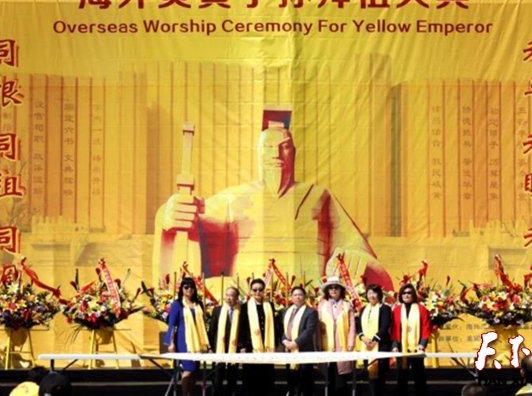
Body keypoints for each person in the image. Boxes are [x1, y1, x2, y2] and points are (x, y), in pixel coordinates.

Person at [153, 111, 393, 290]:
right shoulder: (234, 198)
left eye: (284, 147)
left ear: (294, 153)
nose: (276, 154)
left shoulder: (319, 196)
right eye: (269, 147)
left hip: (309, 305)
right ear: (259, 154)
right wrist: (170, 215)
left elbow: (363, 257)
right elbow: (193, 219)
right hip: (247, 303)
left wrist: (357, 261)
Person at [166, 276, 210, 396]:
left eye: (192, 287)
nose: (189, 289)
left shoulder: (198, 303)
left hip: (198, 340)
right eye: (186, 287)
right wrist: (171, 343)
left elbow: (203, 323)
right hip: (183, 341)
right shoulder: (177, 304)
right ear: (181, 289)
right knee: (189, 369)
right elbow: (172, 324)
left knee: (195, 371)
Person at [239, 278, 278, 396]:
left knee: (266, 378)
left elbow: (274, 325)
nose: (257, 292)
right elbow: (242, 327)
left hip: (267, 346)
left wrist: (275, 343)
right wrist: (242, 346)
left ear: (264, 291)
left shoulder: (270, 305)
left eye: (260, 290)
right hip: (251, 347)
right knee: (251, 378)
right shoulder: (245, 307)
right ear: (251, 291)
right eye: (255, 290)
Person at [318, 276, 356, 396]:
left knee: (341, 378)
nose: (333, 290)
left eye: (336, 288)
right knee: (328, 377)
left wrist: (351, 343)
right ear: (327, 291)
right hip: (326, 344)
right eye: (331, 288)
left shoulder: (347, 305)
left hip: (342, 345)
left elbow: (352, 326)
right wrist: (318, 344)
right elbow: (318, 326)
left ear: (341, 290)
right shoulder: (322, 305)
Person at [391, 283, 431, 396]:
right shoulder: (396, 310)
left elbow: (426, 328)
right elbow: (393, 329)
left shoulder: (422, 309)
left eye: (409, 293)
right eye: (404, 293)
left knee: (419, 377)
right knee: (401, 377)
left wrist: (422, 344)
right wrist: (394, 345)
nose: (406, 295)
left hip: (417, 348)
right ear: (400, 295)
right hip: (401, 348)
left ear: (413, 294)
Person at [282, 285, 318, 396]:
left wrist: (295, 343)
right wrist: (285, 341)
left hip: (304, 350)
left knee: (305, 381)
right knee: (291, 379)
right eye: (295, 295)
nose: (298, 297)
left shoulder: (311, 312)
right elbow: (284, 329)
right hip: (289, 350)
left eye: (300, 295)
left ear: (305, 297)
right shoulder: (286, 311)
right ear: (291, 297)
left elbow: (309, 330)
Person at [356, 284, 391, 396]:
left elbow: (385, 326)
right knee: (369, 374)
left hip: (381, 346)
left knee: (380, 376)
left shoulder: (385, 308)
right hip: (366, 346)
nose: (372, 295)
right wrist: (363, 338)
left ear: (379, 294)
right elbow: (359, 327)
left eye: (374, 293)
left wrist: (374, 340)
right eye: (369, 293)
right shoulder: (363, 309)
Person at [208, 286, 242, 396]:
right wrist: (210, 347)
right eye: (227, 295)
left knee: (232, 376)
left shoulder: (241, 311)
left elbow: (243, 330)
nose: (228, 298)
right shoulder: (217, 310)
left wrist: (241, 346)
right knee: (217, 377)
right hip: (219, 348)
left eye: (232, 295)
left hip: (234, 348)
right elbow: (212, 330)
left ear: (237, 298)